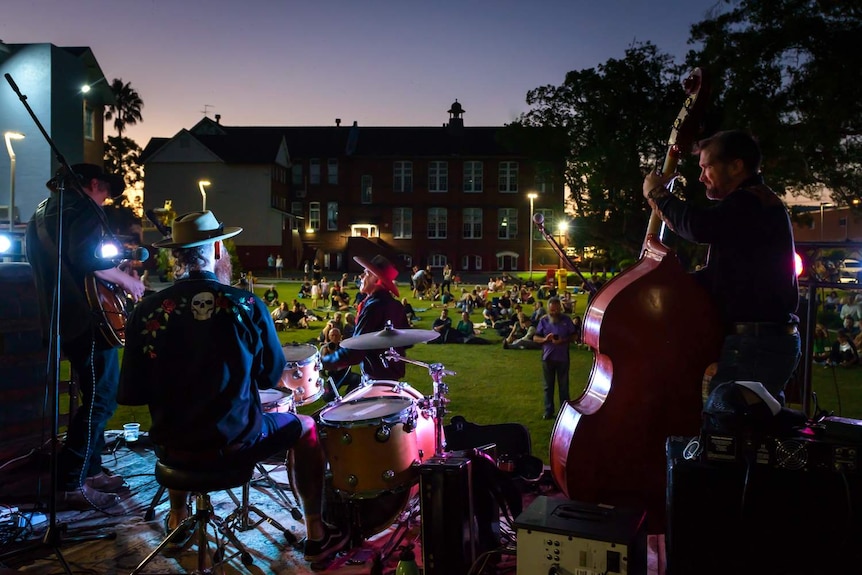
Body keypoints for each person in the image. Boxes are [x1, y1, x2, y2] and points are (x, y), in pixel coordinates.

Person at [117, 210, 348, 562]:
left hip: (172, 448)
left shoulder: (146, 311)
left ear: (175, 255)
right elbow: (270, 377)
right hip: (236, 444)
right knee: (306, 427)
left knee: (179, 423)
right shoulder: (247, 305)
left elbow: (131, 392)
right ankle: (316, 531)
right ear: (218, 248)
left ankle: (178, 517)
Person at [643, 129, 800, 405]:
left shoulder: (750, 202)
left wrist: (658, 195)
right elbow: (725, 277)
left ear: (736, 165)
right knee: (740, 434)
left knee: (727, 433)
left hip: (756, 345)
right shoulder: (752, 205)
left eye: (707, 167)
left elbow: (698, 226)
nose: (701, 177)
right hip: (759, 343)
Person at [26, 163, 146, 509]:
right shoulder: (84, 209)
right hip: (86, 319)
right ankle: (70, 481)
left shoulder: (42, 213)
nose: (105, 201)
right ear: (94, 184)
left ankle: (90, 470)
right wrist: (127, 281)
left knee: (94, 395)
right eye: (106, 192)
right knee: (102, 397)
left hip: (57, 316)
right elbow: (86, 257)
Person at [321, 255, 409, 381]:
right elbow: (407, 342)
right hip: (392, 377)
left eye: (366, 273)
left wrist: (324, 361)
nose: (361, 277)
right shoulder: (396, 305)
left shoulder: (373, 307)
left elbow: (356, 352)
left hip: (376, 378)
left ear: (377, 279)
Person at [533, 297, 579, 419]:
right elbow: (535, 338)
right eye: (552, 310)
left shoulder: (566, 320)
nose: (554, 312)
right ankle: (548, 410)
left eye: (557, 309)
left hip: (562, 358)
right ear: (548, 309)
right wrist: (545, 339)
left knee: (563, 386)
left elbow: (574, 335)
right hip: (547, 358)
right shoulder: (543, 321)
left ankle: (565, 411)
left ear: (560, 308)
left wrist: (563, 340)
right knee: (548, 386)